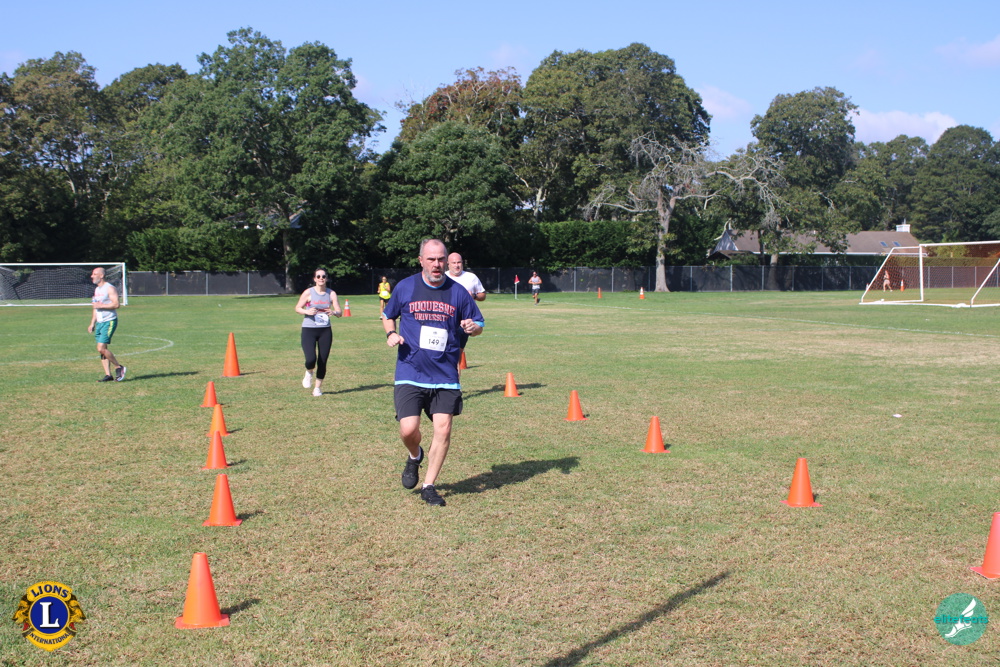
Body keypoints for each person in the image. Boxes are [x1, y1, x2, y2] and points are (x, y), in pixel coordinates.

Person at [382, 239, 485, 507]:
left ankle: (429, 486)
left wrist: (473, 328)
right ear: (421, 260)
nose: (437, 264)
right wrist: (391, 333)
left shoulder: (458, 292)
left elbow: (478, 323)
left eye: (441, 259)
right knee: (408, 429)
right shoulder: (406, 287)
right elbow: (388, 314)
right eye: (431, 259)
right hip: (410, 369)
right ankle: (415, 455)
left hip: (445, 373)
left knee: (443, 429)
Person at [295, 268, 342, 396]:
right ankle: (309, 371)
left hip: (325, 330)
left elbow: (339, 312)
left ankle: (317, 388)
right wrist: (307, 311)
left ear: (326, 278)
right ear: (314, 279)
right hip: (309, 329)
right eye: (318, 276)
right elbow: (297, 308)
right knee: (311, 359)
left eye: (323, 276)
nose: (321, 278)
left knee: (322, 360)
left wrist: (334, 312)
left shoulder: (331, 293)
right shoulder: (308, 292)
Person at [88, 267, 126, 382]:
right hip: (100, 322)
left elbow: (116, 304)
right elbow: (95, 307)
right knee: (102, 349)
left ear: (101, 276)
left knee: (101, 348)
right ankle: (108, 375)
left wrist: (101, 306)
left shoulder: (109, 288)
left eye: (94, 274)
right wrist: (92, 323)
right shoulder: (97, 290)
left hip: (109, 321)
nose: (92, 276)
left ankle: (119, 367)